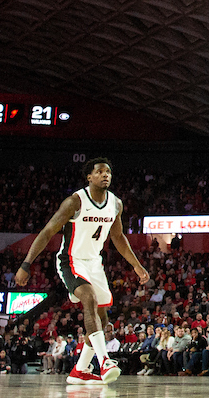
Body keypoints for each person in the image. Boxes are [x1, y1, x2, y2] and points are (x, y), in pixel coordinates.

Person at [15, 158, 148, 385]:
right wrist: (26, 264)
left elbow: (118, 237)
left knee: (103, 318)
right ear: (89, 177)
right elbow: (48, 232)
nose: (105, 175)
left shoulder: (115, 203)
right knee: (89, 298)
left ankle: (81, 369)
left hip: (94, 263)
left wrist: (136, 265)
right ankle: (105, 361)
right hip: (71, 260)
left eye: (108, 172)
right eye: (100, 172)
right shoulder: (75, 201)